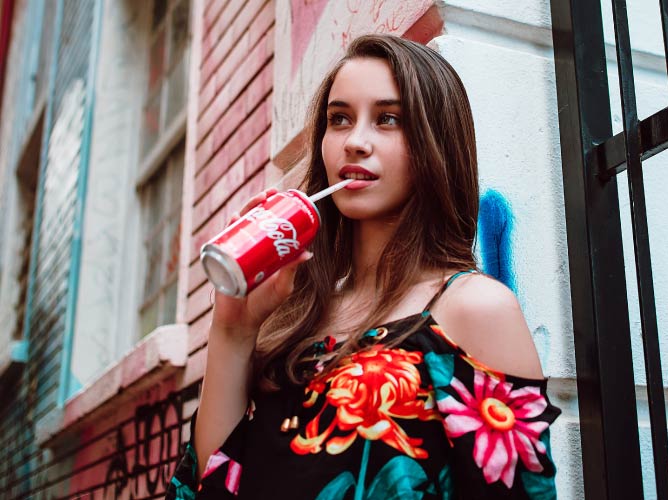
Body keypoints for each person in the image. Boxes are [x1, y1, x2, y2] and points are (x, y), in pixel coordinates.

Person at [167, 33, 560, 499]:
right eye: (340, 120)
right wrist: (233, 329)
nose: (354, 142)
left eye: (388, 119)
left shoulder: (475, 310)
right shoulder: (292, 316)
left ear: (435, 143)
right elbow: (211, 486)